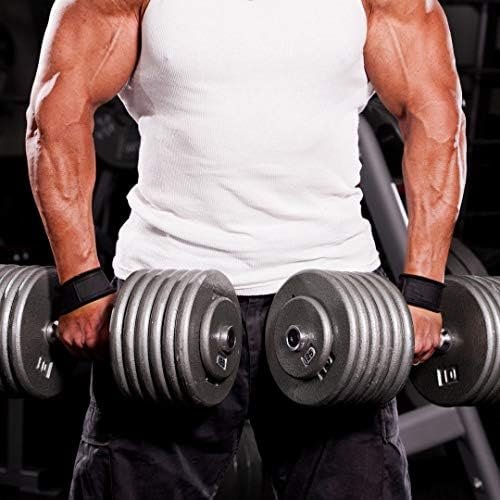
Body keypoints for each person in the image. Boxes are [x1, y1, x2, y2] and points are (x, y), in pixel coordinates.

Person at [25, 0, 466, 498]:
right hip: (165, 312)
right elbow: (58, 109)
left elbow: (435, 112)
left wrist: (424, 289)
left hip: (338, 310)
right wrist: (81, 284)